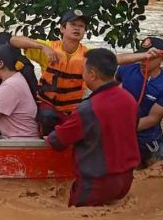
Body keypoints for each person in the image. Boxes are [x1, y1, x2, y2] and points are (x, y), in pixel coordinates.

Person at [46, 49, 140, 207]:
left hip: (96, 183)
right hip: (126, 180)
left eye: (83, 69)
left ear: (92, 74)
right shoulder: (129, 99)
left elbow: (57, 141)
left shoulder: (88, 108)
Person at [10, 9, 90, 134]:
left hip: (73, 108)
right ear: (62, 28)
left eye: (81, 26)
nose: (77, 29)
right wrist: (41, 47)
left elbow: (113, 60)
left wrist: (133, 57)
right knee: (47, 117)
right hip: (48, 105)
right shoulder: (49, 48)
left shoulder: (88, 54)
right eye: (73, 25)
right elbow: (14, 40)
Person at [115, 36, 163, 166]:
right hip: (122, 135)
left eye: (151, 57)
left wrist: (122, 129)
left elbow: (152, 119)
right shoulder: (125, 69)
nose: (144, 60)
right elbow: (111, 91)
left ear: (162, 59)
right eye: (142, 55)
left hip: (149, 140)